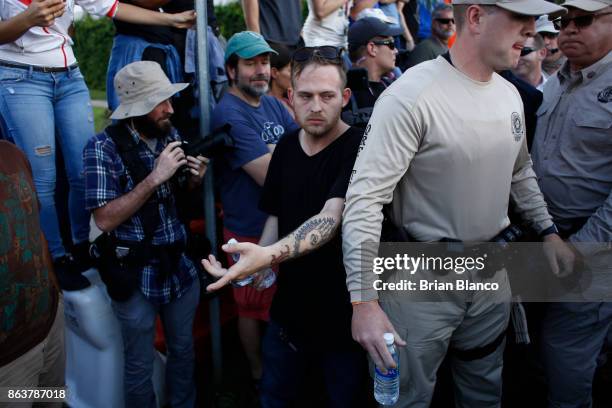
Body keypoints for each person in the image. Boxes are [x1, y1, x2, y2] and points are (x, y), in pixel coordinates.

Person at [342, 1, 575, 407]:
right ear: (476, 17)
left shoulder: (509, 95)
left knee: (484, 387)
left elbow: (520, 173)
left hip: (491, 277)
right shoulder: (410, 95)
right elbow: (364, 200)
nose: (531, 33)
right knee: (406, 399)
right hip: (421, 280)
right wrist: (363, 301)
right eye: (519, 20)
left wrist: (548, 232)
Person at [204, 46, 366, 408]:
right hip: (289, 315)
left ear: (345, 97)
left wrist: (267, 256)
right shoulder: (288, 146)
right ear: (290, 97)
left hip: (341, 317)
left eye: (327, 96)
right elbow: (276, 214)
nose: (316, 106)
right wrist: (257, 265)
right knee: (276, 398)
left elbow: (330, 218)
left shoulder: (357, 146)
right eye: (306, 96)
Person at [0, 0, 195, 286]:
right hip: (20, 76)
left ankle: (83, 244)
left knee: (83, 173)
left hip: (69, 76)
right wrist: (28, 19)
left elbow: (112, 7)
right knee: (43, 181)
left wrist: (172, 20)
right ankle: (55, 258)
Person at [83, 61, 207, 407]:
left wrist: (194, 178)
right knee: (139, 364)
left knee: (184, 351)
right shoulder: (101, 148)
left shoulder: (167, 132)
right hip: (134, 273)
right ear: (134, 110)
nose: (170, 107)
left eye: (169, 98)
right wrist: (155, 177)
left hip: (179, 269)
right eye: (159, 101)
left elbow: (178, 201)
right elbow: (104, 219)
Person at [531, 1, 612, 406]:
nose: (569, 30)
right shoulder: (555, 81)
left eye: (584, 20)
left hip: (591, 247)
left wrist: (581, 248)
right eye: (564, 22)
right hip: (543, 238)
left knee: (566, 358)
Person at [211, 31, 298, 387]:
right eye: (251, 63)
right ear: (232, 70)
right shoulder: (228, 113)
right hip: (247, 229)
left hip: (281, 225)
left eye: (264, 62)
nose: (261, 70)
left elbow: (306, 146)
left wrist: (276, 152)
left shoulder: (273, 104)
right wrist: (286, 156)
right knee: (250, 306)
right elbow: (269, 176)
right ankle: (257, 372)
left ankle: (281, 372)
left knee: (278, 304)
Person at [0, 141, 64, 408]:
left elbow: (35, 227)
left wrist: (56, 293)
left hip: (50, 327)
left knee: (54, 399)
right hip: (9, 364)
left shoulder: (12, 153)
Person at [347, 16, 402, 108]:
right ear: (372, 49)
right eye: (391, 44)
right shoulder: (346, 93)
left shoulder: (393, 87)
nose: (396, 51)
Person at [402, 2, 455, 69]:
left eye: (454, 21)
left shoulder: (445, 47)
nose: (450, 24)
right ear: (433, 23)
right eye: (444, 21)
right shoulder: (424, 49)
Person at [268, 43, 294, 118]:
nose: (293, 75)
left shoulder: (288, 100)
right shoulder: (268, 105)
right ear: (274, 73)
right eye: (290, 70)